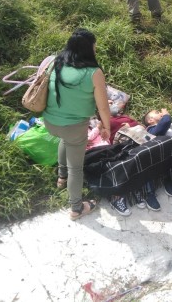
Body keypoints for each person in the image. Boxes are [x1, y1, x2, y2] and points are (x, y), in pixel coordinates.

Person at [43, 28, 112, 220]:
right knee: (77, 167)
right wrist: (106, 127)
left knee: (65, 140)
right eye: (94, 46)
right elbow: (104, 108)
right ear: (88, 49)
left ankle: (61, 177)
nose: (96, 49)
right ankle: (76, 208)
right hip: (73, 127)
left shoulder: (56, 61)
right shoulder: (93, 72)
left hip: (49, 121)